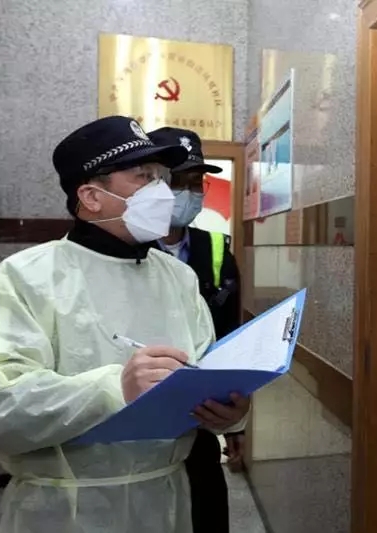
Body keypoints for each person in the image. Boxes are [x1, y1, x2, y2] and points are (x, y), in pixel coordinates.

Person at [0, 115, 250, 533]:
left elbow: (203, 371)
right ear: (92, 196)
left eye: (161, 177)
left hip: (169, 502)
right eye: (143, 176)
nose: (162, 191)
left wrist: (224, 411)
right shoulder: (25, 277)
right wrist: (115, 388)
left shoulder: (178, 278)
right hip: (66, 510)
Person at [148, 127, 243, 533]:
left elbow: (229, 335)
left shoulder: (217, 249)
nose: (187, 193)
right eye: (177, 181)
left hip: (201, 423)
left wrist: (234, 423)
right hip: (143, 421)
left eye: (195, 183)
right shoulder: (125, 249)